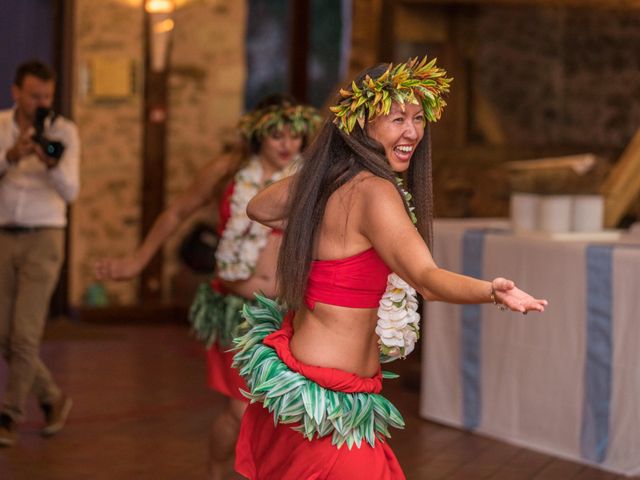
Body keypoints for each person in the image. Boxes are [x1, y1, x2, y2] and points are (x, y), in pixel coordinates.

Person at [235, 56, 548, 479]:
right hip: (326, 399)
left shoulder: (341, 183)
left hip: (315, 386)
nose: (412, 131)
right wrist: (491, 290)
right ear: (363, 124)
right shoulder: (375, 191)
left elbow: (262, 207)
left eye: (418, 118)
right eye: (397, 118)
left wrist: (323, 170)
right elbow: (428, 280)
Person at [94, 94, 321, 479]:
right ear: (258, 135)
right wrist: (136, 261)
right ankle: (216, 473)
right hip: (236, 311)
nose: (287, 145)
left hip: (286, 313)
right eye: (276, 135)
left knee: (282, 412)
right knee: (240, 409)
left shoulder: (307, 176)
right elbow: (178, 210)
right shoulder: (230, 170)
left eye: (295, 136)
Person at [0, 60, 80, 447]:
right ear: (16, 92)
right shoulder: (0, 126)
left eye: (47, 96)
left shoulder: (65, 132)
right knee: (4, 333)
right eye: (34, 95)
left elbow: (71, 192)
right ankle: (51, 397)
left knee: (25, 333)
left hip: (45, 235)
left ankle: (8, 414)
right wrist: (10, 156)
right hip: (3, 235)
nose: (41, 102)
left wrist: (52, 165)